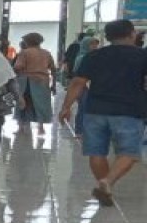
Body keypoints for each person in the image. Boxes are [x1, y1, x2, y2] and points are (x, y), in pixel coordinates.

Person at [59, 20, 147, 206]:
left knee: (96, 153)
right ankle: (107, 182)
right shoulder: (142, 56)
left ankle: (105, 188)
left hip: (95, 111)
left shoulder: (94, 56)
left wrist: (66, 107)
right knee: (129, 153)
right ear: (132, 34)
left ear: (107, 37)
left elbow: (77, 83)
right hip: (129, 111)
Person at [13, 32, 57, 135]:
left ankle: (21, 127)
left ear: (27, 41)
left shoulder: (24, 53)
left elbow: (17, 67)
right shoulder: (46, 53)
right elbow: (53, 69)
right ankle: (41, 127)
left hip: (26, 81)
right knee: (41, 104)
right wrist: (53, 85)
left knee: (23, 103)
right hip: (43, 81)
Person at [71, 36, 101, 137]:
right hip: (83, 87)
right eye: (92, 44)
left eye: (96, 44)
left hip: (94, 86)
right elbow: (77, 74)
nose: (95, 46)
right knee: (83, 107)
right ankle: (79, 130)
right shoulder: (81, 57)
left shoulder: (97, 57)